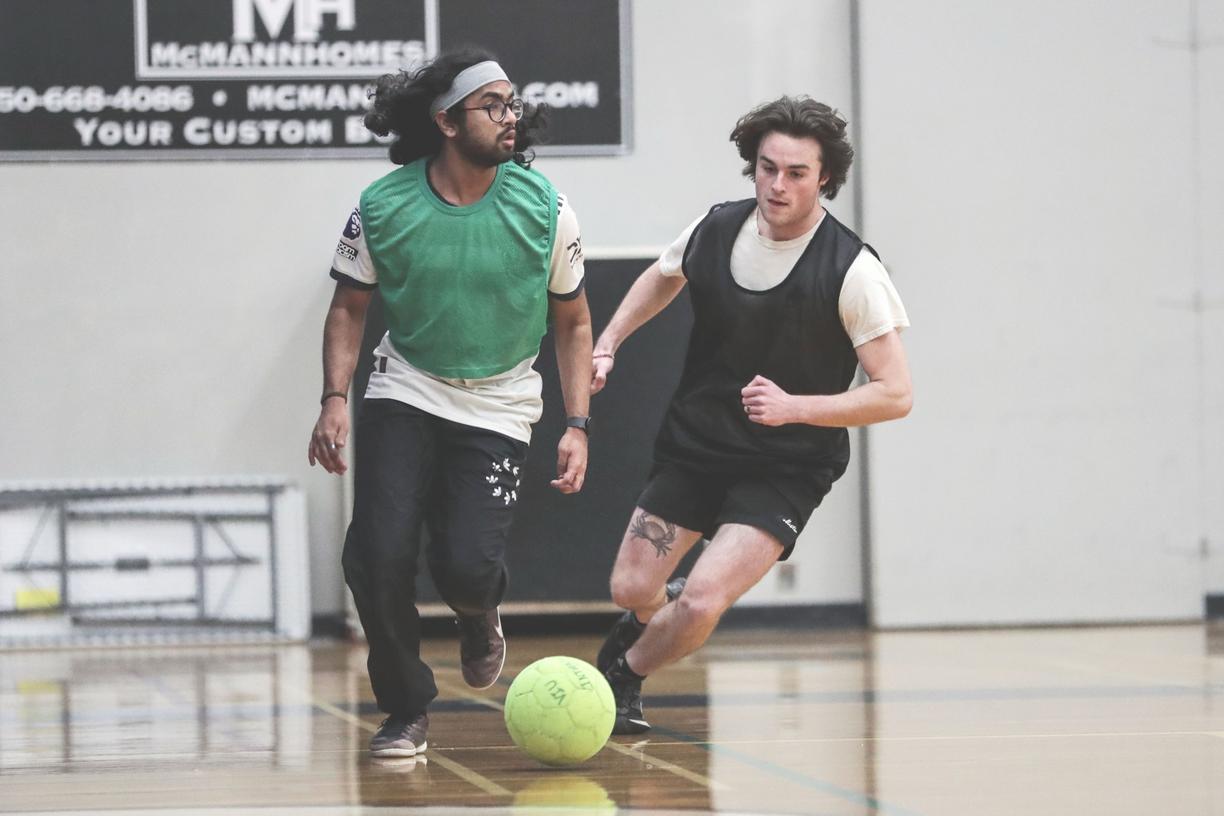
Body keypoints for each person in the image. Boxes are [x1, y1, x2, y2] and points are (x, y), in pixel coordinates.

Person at [590, 96, 912, 734]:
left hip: (787, 466)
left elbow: (896, 393)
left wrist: (796, 408)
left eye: (796, 173)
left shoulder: (853, 270)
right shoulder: (715, 228)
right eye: (768, 168)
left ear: (825, 178)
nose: (778, 184)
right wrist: (608, 342)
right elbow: (663, 274)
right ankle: (647, 620)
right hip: (699, 445)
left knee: (705, 597)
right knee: (631, 588)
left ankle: (622, 674)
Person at [307, 49, 593, 757]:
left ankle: (477, 611)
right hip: (408, 385)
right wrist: (334, 399)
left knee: (465, 566)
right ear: (444, 121)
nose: (510, 117)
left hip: (499, 401)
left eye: (513, 103)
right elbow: (348, 308)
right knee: (376, 555)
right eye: (492, 104)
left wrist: (578, 422)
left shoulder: (545, 206)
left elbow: (575, 320)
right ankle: (405, 709)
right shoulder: (383, 205)